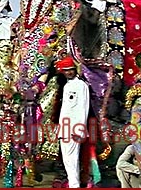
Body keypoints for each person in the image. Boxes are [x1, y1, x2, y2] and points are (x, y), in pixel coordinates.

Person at [55, 56, 90, 188]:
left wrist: (80, 129)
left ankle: (74, 185)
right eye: (66, 70)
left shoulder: (81, 86)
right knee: (67, 159)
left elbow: (83, 107)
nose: (69, 72)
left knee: (72, 158)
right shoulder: (66, 86)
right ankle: (72, 183)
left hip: (75, 127)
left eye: (71, 69)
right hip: (64, 128)